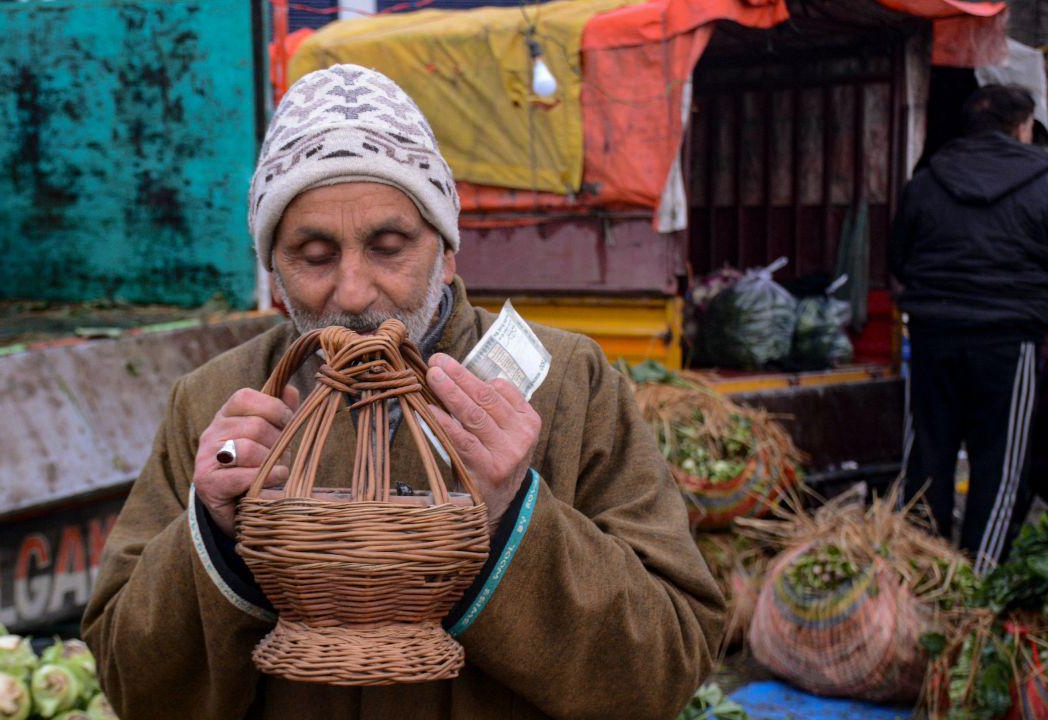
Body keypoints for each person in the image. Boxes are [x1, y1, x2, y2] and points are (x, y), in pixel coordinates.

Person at [82, 64, 724, 719]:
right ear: (274, 271)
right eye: (313, 255)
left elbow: (667, 662)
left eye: (389, 247)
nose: (354, 292)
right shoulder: (217, 401)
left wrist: (513, 518)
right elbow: (131, 682)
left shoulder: (568, 385)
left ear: (447, 251)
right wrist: (215, 535)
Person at [890, 84, 1048, 574]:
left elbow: (898, 259)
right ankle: (978, 587)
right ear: (1022, 127)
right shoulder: (1043, 181)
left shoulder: (926, 181)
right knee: (1000, 468)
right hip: (1008, 341)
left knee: (926, 459)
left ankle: (919, 577)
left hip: (933, 337)